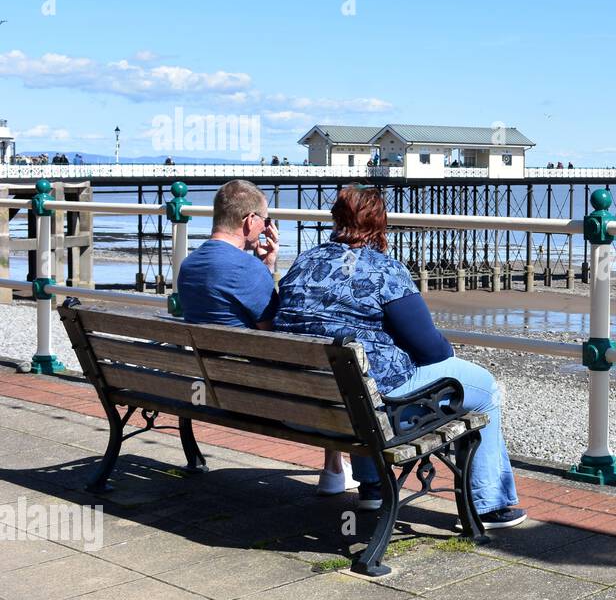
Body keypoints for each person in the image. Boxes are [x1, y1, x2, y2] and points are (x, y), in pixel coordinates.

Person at [274, 185, 526, 526]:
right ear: (381, 224)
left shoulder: (303, 262)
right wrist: (445, 350)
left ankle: (374, 488)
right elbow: (430, 350)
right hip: (368, 412)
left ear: (335, 219)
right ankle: (489, 505)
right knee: (486, 390)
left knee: (359, 384)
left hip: (302, 408)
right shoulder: (384, 271)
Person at [177, 180, 354, 494]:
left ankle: (338, 468)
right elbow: (275, 336)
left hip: (208, 387)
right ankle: (334, 469)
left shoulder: (189, 266)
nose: (267, 226)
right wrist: (266, 269)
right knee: (329, 365)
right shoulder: (247, 269)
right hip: (255, 398)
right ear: (249, 221)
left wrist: (265, 265)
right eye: (266, 219)